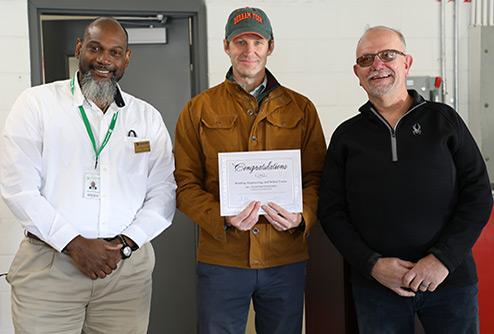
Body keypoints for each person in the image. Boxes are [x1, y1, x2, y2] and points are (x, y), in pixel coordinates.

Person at [0, 17, 176, 334]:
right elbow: (18, 189)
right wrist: (75, 244)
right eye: (95, 48)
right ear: (80, 48)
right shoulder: (37, 104)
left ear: (126, 58)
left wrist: (125, 244)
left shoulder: (146, 117)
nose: (104, 60)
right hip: (50, 267)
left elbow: (164, 193)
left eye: (115, 52)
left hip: (123, 271)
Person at [318, 26, 493, 334]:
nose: (377, 65)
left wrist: (441, 261)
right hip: (378, 289)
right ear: (357, 72)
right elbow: (332, 211)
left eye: (388, 55)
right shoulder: (347, 137)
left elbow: (478, 194)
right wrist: (372, 264)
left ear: (406, 63)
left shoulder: (445, 121)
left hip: (450, 282)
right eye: (367, 59)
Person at [174, 7, 326, 334]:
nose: (249, 50)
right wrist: (221, 217)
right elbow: (184, 186)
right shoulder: (197, 109)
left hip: (285, 257)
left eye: (257, 41)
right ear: (226, 46)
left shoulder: (301, 108)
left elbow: (318, 179)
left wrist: (303, 215)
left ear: (270, 46)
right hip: (222, 260)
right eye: (240, 41)